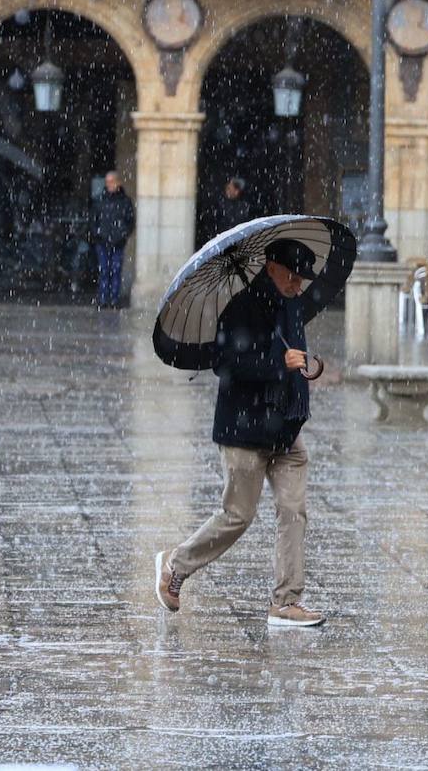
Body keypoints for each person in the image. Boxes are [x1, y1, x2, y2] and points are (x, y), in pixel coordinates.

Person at [156, 238, 325, 629]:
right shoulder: (240, 307)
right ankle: (174, 564)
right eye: (293, 275)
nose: (299, 283)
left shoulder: (292, 305)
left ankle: (286, 601)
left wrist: (303, 369)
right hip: (245, 429)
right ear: (271, 266)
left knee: (293, 511)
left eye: (303, 277)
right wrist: (276, 362)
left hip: (285, 428)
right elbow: (226, 362)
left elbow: (292, 354)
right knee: (237, 516)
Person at [89, 170, 135, 308]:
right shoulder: (99, 200)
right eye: (107, 182)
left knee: (115, 271)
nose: (109, 184)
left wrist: (122, 235)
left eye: (111, 181)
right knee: (104, 270)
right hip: (102, 242)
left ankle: (114, 300)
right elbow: (93, 220)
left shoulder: (125, 201)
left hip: (118, 243)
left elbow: (130, 221)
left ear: (118, 183)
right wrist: (97, 234)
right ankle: (103, 299)